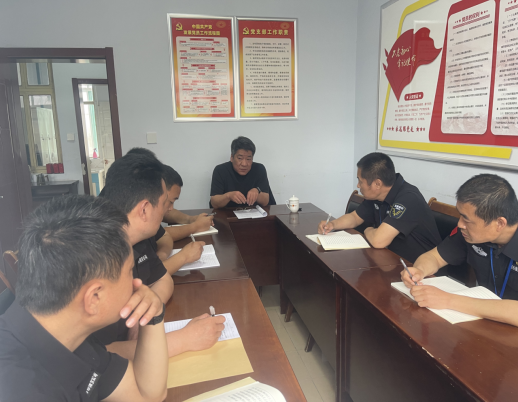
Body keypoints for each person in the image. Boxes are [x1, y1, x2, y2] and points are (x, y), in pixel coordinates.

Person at [0, 195, 168, 402]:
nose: (137, 282)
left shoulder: (66, 332)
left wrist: (154, 313)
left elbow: (146, 395)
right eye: (130, 271)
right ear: (94, 297)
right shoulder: (21, 391)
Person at [99, 154, 225, 359]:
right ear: (145, 209)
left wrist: (144, 312)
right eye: (164, 202)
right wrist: (184, 339)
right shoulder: (93, 257)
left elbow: (164, 280)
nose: (168, 210)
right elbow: (93, 357)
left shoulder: (135, 236)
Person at [401, 174, 518, 327]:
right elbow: (435, 257)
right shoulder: (469, 234)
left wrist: (448, 300)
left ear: (500, 223)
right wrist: (419, 271)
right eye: (460, 216)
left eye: (466, 219)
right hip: (482, 323)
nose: (460, 224)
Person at [319, 152, 441, 263]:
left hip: (423, 270)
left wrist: (367, 230)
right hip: (392, 261)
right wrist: (332, 225)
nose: (358, 185)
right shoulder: (377, 195)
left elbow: (378, 241)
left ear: (377, 184)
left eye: (360, 181)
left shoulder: (408, 198)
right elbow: (355, 217)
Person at [210, 136, 274, 208]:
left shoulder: (259, 169)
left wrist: (257, 193)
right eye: (240, 158)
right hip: (227, 213)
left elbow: (265, 201)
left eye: (248, 159)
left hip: (253, 213)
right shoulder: (220, 170)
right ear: (232, 157)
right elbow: (214, 203)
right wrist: (228, 196)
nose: (244, 164)